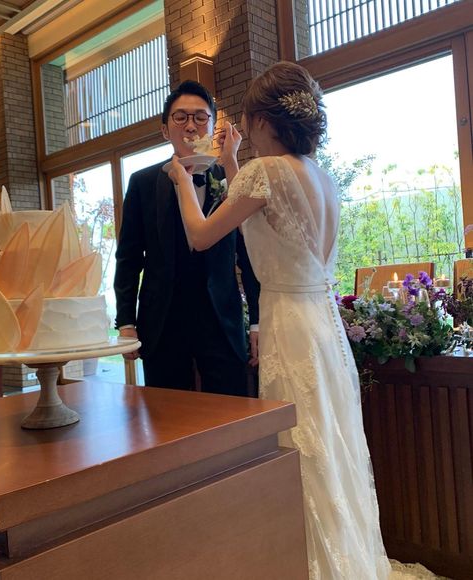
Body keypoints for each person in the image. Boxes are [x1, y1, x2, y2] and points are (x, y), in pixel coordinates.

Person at [168, 62, 394, 578]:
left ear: (264, 120)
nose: (245, 128)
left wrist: (182, 177)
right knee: (329, 439)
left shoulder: (264, 172)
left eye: (248, 118)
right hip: (323, 323)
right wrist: (231, 162)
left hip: (289, 325)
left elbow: (201, 235)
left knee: (299, 442)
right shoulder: (320, 175)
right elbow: (262, 216)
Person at [114, 80, 260, 396]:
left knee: (231, 409)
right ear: (165, 130)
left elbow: (250, 253)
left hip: (221, 318)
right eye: (180, 117)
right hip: (162, 320)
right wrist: (126, 322)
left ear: (212, 125)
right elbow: (128, 257)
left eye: (200, 117)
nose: (191, 126)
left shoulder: (231, 179)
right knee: (166, 413)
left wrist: (257, 322)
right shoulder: (142, 183)